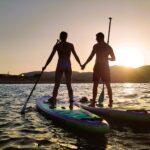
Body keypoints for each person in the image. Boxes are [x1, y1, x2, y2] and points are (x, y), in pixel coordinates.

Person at [42, 31, 82, 109]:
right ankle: (71, 100)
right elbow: (76, 56)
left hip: (60, 64)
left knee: (57, 84)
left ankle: (54, 100)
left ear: (60, 37)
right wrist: (80, 64)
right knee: (68, 84)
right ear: (66, 37)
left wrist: (45, 66)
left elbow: (51, 57)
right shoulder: (70, 45)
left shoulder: (57, 46)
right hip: (67, 65)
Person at [81, 32, 115, 107]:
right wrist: (108, 58)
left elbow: (91, 56)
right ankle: (110, 102)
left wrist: (84, 64)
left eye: (96, 37)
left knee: (97, 84)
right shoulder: (108, 47)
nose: (96, 39)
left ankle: (94, 103)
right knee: (107, 84)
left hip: (99, 66)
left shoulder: (97, 46)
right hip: (104, 67)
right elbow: (113, 58)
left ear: (100, 38)